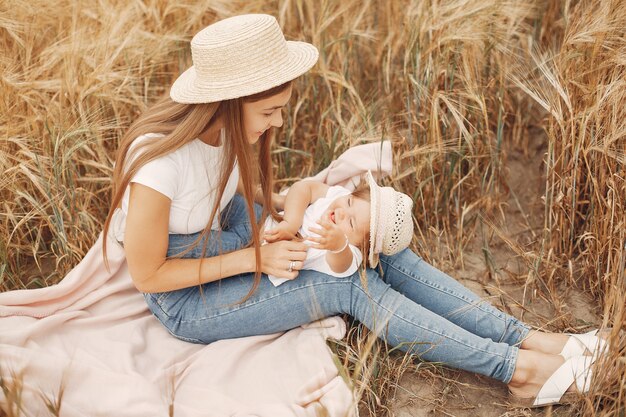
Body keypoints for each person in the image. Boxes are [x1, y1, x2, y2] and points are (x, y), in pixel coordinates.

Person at [102, 14, 607, 408]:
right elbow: (149, 274)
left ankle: (532, 339)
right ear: (227, 101)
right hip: (184, 295)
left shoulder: (226, 130)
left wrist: (284, 206)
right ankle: (517, 371)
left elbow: (230, 186)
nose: (279, 122)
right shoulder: (160, 164)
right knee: (347, 284)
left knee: (372, 244)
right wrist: (253, 259)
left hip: (229, 235)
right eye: (269, 112)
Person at [262, 172, 414, 286]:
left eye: (351, 223)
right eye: (349, 202)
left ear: (362, 246)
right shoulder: (338, 195)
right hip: (262, 222)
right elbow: (304, 187)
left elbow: (341, 266)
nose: (341, 213)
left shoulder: (351, 252)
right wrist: (291, 222)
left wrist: (338, 246)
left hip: (262, 266)